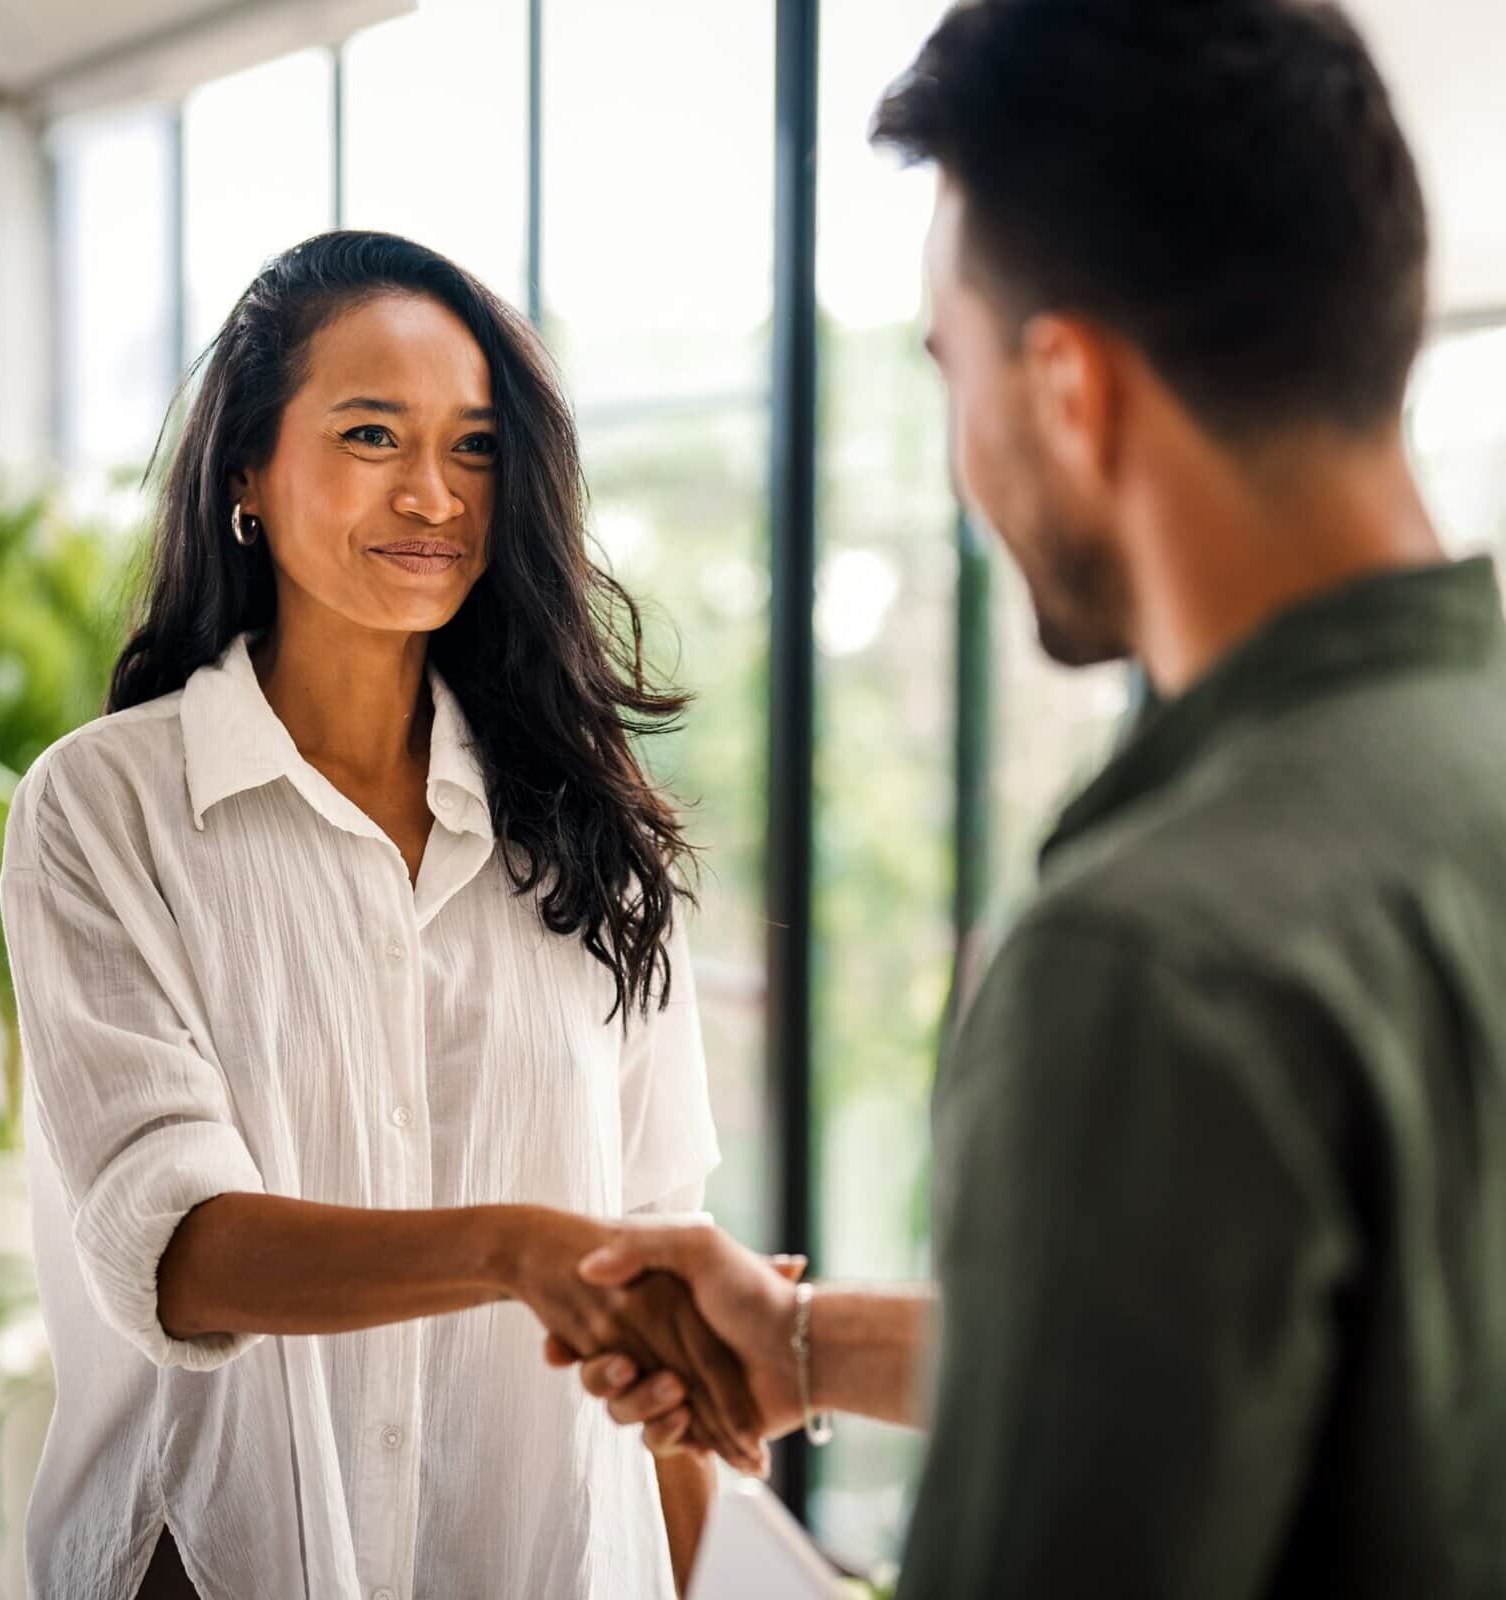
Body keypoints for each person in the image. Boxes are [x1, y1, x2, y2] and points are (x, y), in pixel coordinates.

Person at [550, 2, 1506, 1595]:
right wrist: (806, 1342)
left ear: (1067, 387)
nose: (959, 455)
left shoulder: (1157, 958)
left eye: (953, 370)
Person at [0, 231, 765, 1600]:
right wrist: (510, 1248)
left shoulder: (602, 848)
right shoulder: (103, 811)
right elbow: (179, 1248)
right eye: (371, 434)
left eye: (473, 447)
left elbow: (652, 1328)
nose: (432, 494)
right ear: (248, 467)